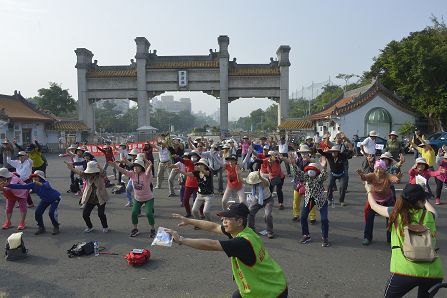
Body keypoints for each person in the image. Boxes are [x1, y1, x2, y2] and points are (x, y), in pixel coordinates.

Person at [166, 203, 288, 298]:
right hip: (270, 283)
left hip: (272, 292)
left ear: (239, 221)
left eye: (227, 218)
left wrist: (181, 239)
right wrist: (189, 221)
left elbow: (212, 244)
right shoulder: (244, 231)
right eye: (223, 218)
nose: (223, 221)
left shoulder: (242, 242)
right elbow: (214, 227)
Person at [366, 184, 443, 297]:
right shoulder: (430, 216)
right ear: (420, 201)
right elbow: (433, 211)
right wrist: (424, 199)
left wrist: (368, 191)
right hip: (432, 273)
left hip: (404, 271)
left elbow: (373, 205)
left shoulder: (396, 214)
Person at [357, 160, 400, 246]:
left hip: (387, 200)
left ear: (384, 169)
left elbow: (394, 179)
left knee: (390, 219)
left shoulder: (387, 176)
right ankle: (367, 237)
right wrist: (362, 175)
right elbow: (365, 177)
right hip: (374, 201)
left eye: (380, 169)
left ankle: (390, 239)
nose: (378, 171)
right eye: (376, 169)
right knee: (369, 218)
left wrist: (397, 179)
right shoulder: (372, 175)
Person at [110, 157, 156, 238]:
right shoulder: (132, 174)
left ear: (141, 168)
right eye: (134, 167)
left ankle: (152, 229)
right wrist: (115, 166)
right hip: (137, 198)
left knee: (149, 213)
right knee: (134, 213)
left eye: (137, 166)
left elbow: (148, 170)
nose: (135, 168)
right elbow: (123, 171)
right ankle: (135, 229)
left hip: (148, 198)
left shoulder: (146, 175)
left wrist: (150, 165)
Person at [6, 170, 61, 235]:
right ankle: (41, 227)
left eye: (36, 177)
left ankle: (56, 226)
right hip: (45, 199)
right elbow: (21, 186)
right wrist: (8, 185)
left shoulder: (46, 182)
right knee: (38, 212)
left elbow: (46, 186)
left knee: (51, 213)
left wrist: (39, 183)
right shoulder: (32, 184)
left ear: (40, 178)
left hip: (55, 198)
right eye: (33, 177)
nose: (34, 178)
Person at [65, 160, 109, 233]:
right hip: (90, 198)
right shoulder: (87, 176)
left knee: (101, 214)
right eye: (90, 172)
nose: (91, 173)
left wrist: (100, 167)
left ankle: (105, 226)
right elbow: (79, 172)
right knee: (85, 214)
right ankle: (90, 226)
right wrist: (71, 168)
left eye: (93, 172)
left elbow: (104, 173)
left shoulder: (100, 176)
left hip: (100, 198)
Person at [294, 159, 330, 247]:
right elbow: (298, 173)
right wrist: (293, 164)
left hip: (320, 199)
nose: (310, 171)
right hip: (309, 199)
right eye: (309, 169)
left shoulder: (319, 179)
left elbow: (324, 175)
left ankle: (325, 237)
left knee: (324, 219)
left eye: (312, 170)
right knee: (303, 217)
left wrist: (324, 167)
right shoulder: (306, 177)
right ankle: (306, 235)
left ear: (316, 172)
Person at [289, 145, 317, 224]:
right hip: (298, 183)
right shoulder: (298, 160)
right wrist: (292, 163)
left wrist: (310, 161)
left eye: (305, 152)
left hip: (308, 184)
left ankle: (312, 217)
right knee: (296, 201)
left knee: (310, 201)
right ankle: (296, 215)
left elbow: (316, 166)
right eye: (302, 152)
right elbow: (294, 171)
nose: (304, 154)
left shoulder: (312, 160)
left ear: (308, 153)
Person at [245, 170, 275, 239]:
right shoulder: (252, 182)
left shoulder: (263, 180)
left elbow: (267, 184)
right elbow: (242, 181)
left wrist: (260, 178)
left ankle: (270, 231)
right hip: (257, 199)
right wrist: (238, 174)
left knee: (267, 215)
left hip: (268, 200)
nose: (252, 183)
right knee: (250, 212)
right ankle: (251, 229)